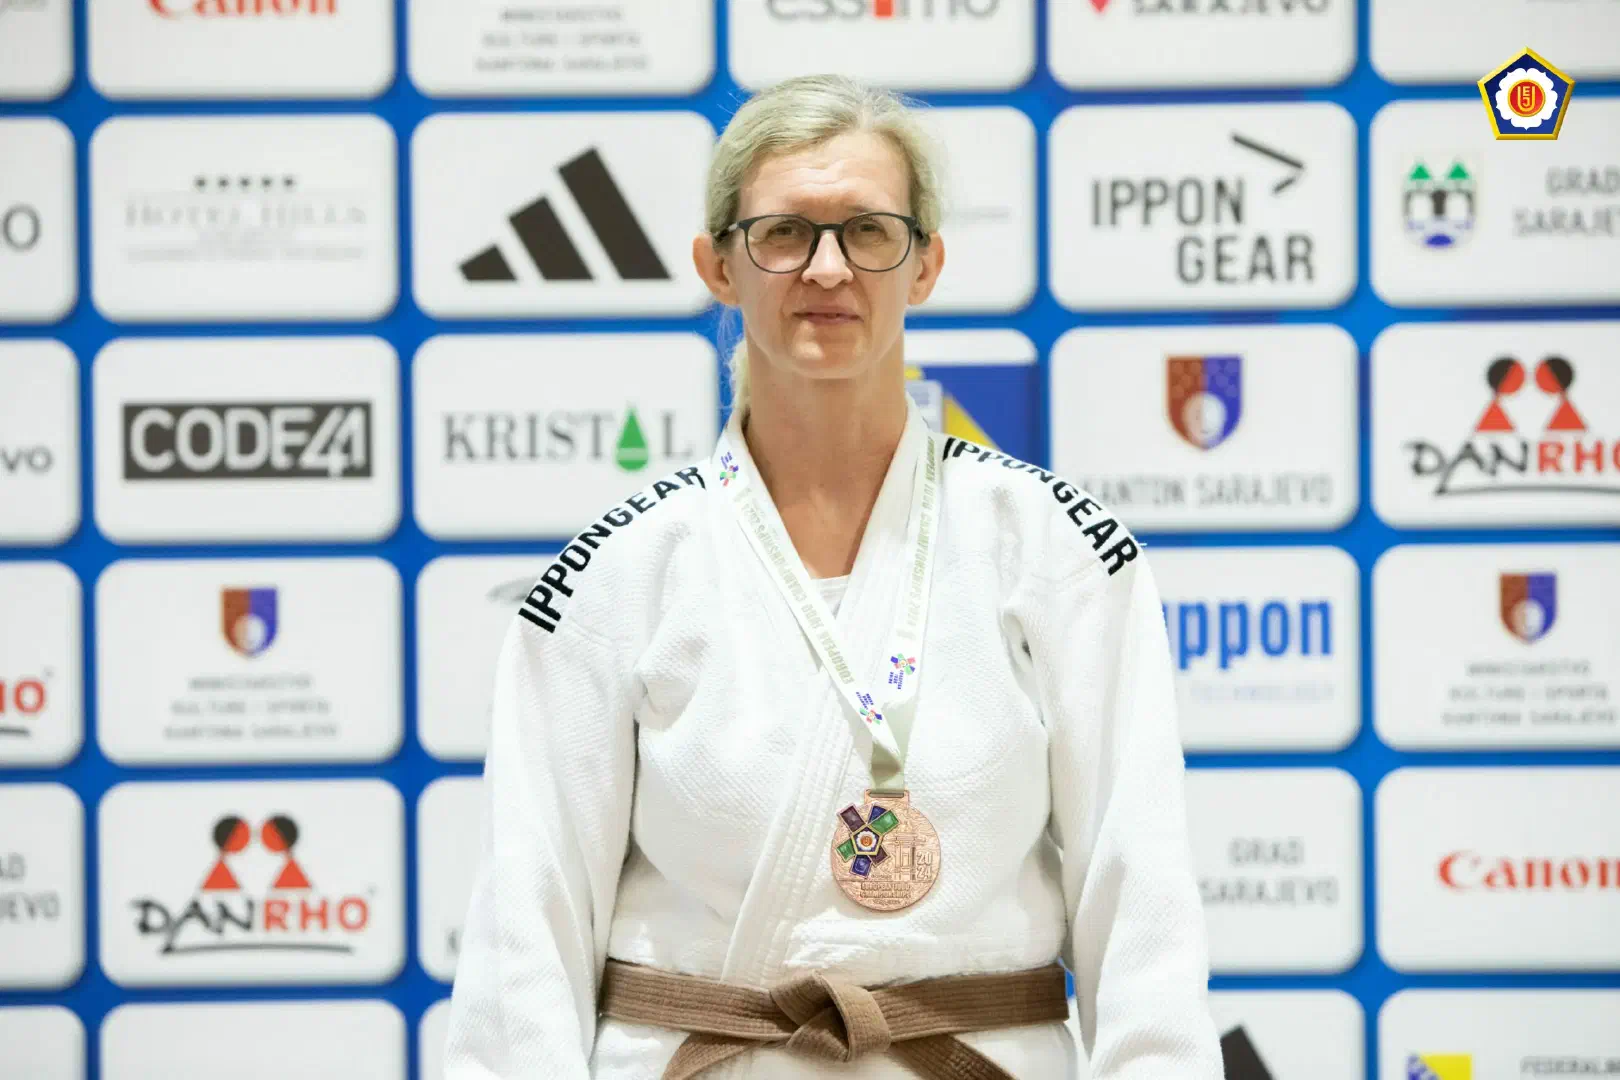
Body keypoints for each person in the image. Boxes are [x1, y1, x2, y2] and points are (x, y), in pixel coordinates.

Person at [442, 73, 1223, 1079]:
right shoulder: (620, 571)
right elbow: (527, 921)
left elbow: (1141, 893)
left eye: (867, 231)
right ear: (718, 266)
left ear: (926, 264)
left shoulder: (1051, 547)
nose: (826, 267)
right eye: (782, 233)